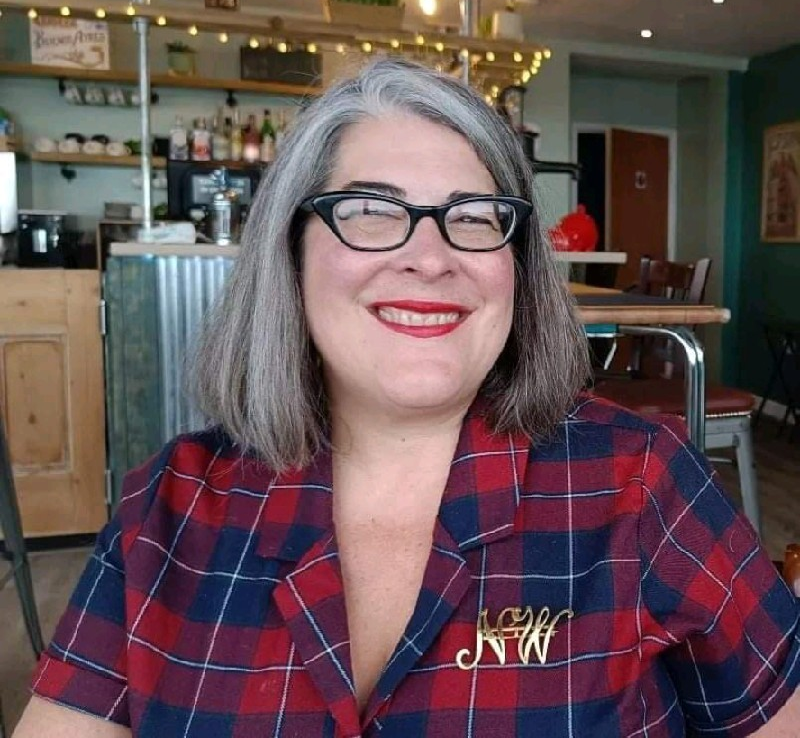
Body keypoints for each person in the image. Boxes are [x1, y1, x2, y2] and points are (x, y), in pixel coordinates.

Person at [14, 59, 800, 737]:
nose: (430, 256)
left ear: (518, 265)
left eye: (476, 217)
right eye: (371, 211)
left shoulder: (644, 484)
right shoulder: (167, 510)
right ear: (291, 252)